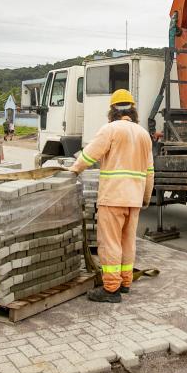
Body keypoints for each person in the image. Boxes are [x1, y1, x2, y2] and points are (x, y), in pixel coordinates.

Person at [69, 89, 154, 303]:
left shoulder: (110, 130)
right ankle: (125, 282)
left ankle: (111, 289)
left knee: (110, 243)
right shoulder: (143, 134)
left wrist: (72, 171)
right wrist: (145, 197)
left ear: (112, 111)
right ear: (132, 111)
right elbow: (150, 171)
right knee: (128, 242)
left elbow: (89, 155)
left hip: (113, 197)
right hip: (134, 199)